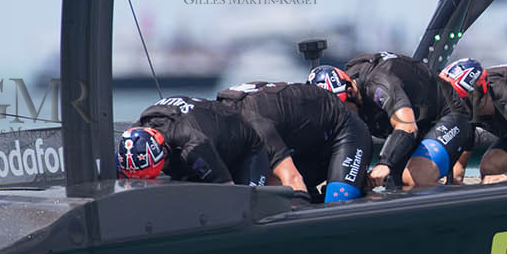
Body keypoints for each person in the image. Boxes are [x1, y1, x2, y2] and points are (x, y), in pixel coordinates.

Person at [308, 52, 473, 188]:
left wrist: (384, 163)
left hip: (448, 115)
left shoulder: (380, 85)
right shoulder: (351, 95)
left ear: (351, 92)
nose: (339, 116)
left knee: (414, 178)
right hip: (418, 124)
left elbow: (407, 127)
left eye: (341, 109)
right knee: (394, 187)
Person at [216, 81, 369, 203]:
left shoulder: (255, 127)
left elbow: (293, 179)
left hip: (347, 129)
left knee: (338, 202)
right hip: (301, 136)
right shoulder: (224, 123)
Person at [117, 96, 269, 185]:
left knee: (246, 199)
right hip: (206, 132)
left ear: (164, 152)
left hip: (245, 148)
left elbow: (227, 190)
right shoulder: (133, 137)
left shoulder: (194, 146)